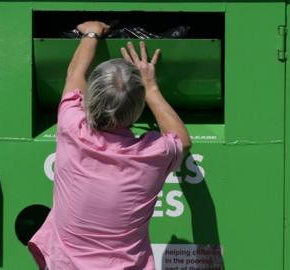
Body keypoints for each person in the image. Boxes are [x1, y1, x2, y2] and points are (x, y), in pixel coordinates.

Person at [28, 21, 192, 270]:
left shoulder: (71, 127)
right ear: (138, 110)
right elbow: (182, 140)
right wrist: (150, 86)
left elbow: (74, 74)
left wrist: (92, 32)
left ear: (90, 99)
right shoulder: (153, 154)